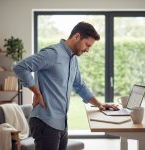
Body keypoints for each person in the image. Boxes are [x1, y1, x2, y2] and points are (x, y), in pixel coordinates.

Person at [13, 21, 119, 150]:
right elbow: (20, 67)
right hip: (45, 122)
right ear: (76, 37)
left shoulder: (73, 59)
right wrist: (36, 92)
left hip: (61, 123)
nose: (88, 50)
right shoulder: (53, 53)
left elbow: (79, 86)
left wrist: (99, 104)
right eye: (87, 45)